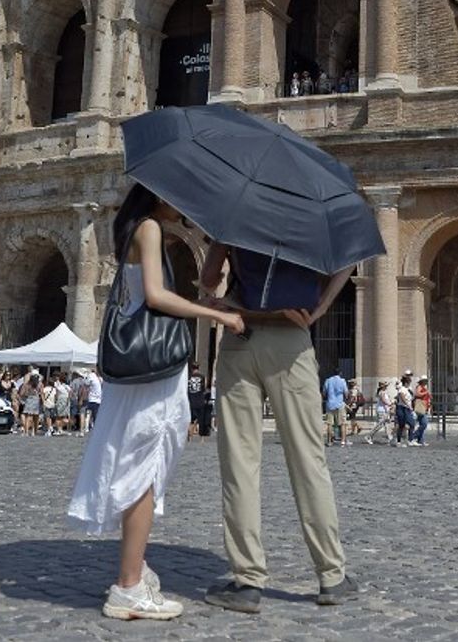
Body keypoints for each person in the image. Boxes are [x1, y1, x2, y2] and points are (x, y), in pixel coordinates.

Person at [67, 185, 246, 622]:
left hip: (136, 365)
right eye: (177, 196)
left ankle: (134, 569)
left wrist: (203, 302)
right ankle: (128, 586)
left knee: (136, 463)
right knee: (144, 469)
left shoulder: (131, 228)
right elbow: (155, 296)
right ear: (160, 195)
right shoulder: (148, 228)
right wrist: (218, 315)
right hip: (153, 372)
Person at [195, 239, 358, 614]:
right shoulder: (312, 216)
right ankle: (331, 575)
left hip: (240, 335)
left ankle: (247, 580)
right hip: (291, 337)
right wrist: (322, 306)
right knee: (308, 462)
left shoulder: (238, 210)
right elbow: (349, 258)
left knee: (240, 464)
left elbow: (208, 278)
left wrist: (216, 285)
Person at [323, 368, 349, 448]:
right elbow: (346, 393)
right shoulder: (342, 381)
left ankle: (329, 441)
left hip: (330, 404)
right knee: (342, 423)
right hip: (339, 404)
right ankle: (343, 441)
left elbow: (324, 392)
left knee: (330, 424)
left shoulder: (328, 381)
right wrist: (346, 399)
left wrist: (326, 398)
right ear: (340, 373)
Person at [187, 363, 207, 440]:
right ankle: (201, 438)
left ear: (192, 368)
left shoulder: (188, 377)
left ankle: (190, 433)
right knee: (200, 418)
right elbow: (204, 388)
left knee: (191, 418)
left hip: (191, 399)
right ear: (198, 368)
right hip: (200, 399)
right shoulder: (202, 377)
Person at [409, 377, 431, 446]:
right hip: (420, 407)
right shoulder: (419, 387)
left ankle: (420, 440)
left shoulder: (423, 387)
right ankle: (413, 437)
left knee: (422, 424)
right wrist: (426, 392)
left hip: (424, 407)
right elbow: (417, 394)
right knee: (424, 424)